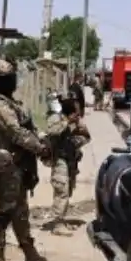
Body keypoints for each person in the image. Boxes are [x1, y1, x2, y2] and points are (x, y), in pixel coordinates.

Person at [0, 57, 52, 261]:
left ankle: (31, 256)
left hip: (18, 165)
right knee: (3, 211)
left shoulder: (10, 103)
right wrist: (41, 148)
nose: (13, 82)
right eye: (9, 78)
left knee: (20, 212)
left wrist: (42, 137)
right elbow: (17, 133)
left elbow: (27, 125)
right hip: (6, 166)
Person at [43, 92, 93, 234]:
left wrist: (80, 128)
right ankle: (57, 225)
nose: (78, 115)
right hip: (59, 160)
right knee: (61, 191)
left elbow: (86, 139)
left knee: (67, 191)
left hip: (70, 161)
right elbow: (52, 132)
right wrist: (67, 122)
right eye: (76, 112)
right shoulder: (56, 119)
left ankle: (61, 219)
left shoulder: (74, 123)